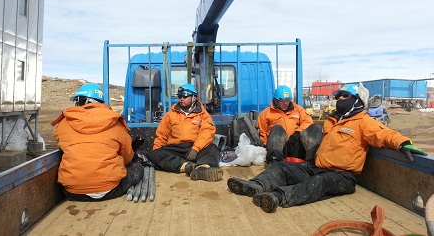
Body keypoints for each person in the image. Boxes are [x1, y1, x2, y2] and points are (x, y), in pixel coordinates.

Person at [227, 83, 427, 213]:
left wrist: (403, 143)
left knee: (318, 183)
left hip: (343, 176)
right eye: (338, 97)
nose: (340, 100)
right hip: (318, 167)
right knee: (281, 168)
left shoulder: (363, 122)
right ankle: (256, 186)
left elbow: (384, 134)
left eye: (345, 97)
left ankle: (278, 197)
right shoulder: (332, 121)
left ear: (356, 101)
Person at [51, 83, 144, 201]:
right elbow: (127, 156)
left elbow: (62, 144)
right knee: (137, 168)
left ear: (81, 101)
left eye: (76, 101)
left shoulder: (64, 123)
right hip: (110, 189)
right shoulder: (115, 122)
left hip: (73, 192)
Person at [147, 83, 223, 181]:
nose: (181, 99)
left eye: (185, 96)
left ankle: (202, 168)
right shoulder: (170, 115)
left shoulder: (203, 115)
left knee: (212, 149)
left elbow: (207, 132)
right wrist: (156, 154)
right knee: (154, 154)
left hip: (195, 147)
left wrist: (195, 149)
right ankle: (186, 166)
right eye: (180, 96)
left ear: (194, 97)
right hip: (176, 148)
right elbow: (161, 135)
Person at [257, 85, 322, 164]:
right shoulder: (265, 114)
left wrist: (297, 133)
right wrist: (266, 147)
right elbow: (262, 132)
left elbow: (308, 122)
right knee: (277, 129)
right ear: (276, 100)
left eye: (288, 100)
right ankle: (274, 162)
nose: (286, 103)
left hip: (296, 145)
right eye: (282, 101)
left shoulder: (298, 110)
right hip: (279, 147)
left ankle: (310, 161)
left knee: (316, 127)